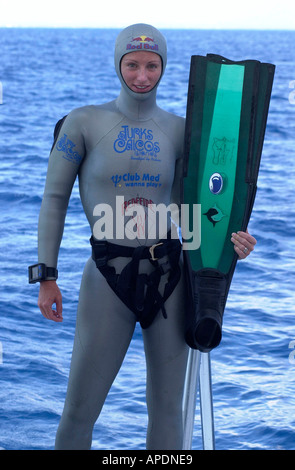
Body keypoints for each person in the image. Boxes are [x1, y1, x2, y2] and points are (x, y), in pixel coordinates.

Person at [34, 24, 256, 450]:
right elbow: (54, 198)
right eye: (132, 64)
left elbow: (197, 208)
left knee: (169, 411)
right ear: (118, 64)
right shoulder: (83, 123)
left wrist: (232, 242)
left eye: (151, 65)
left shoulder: (180, 130)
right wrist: (46, 276)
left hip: (170, 276)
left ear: (163, 67)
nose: (141, 75)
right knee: (79, 412)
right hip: (107, 276)